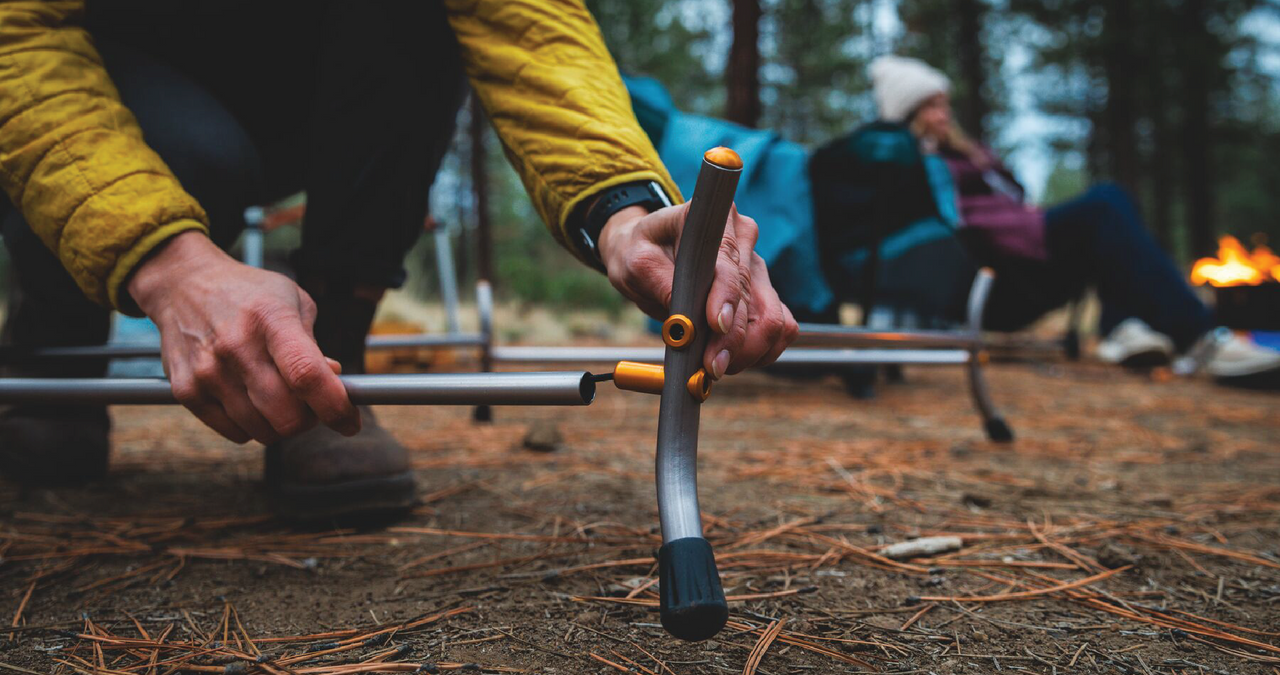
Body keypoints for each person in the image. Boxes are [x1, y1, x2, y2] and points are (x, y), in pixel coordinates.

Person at [0, 1, 797, 520]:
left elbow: (526, 24)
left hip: (301, 83)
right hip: (111, 67)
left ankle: (326, 366)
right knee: (197, 153)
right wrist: (170, 261)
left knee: (418, 19)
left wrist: (623, 211)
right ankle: (55, 339)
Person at [858, 55, 1280, 381]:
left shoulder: (967, 154)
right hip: (990, 284)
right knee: (1105, 204)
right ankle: (1200, 338)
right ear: (905, 114)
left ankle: (1125, 329)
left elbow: (1011, 199)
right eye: (929, 107)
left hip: (1023, 263)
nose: (943, 115)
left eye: (944, 104)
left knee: (1109, 216)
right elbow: (949, 226)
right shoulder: (910, 166)